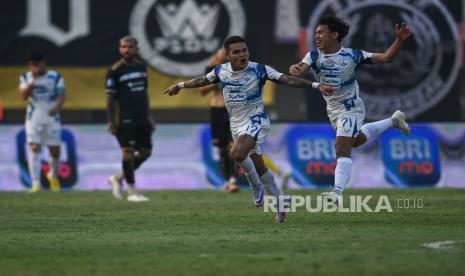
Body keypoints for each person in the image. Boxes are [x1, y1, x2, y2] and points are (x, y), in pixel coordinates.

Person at [164, 36, 336, 223]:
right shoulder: (221, 70)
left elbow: (288, 80)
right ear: (228, 56)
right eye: (236, 52)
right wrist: (179, 86)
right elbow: (202, 80)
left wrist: (316, 85)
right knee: (259, 165)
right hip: (236, 124)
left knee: (236, 153)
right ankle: (281, 202)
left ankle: (256, 188)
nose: (242, 54)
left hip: (257, 121)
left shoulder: (260, 69)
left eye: (244, 50)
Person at [289, 15, 412, 203]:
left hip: (351, 108)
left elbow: (387, 57)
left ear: (335, 35)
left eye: (321, 32)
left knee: (341, 147)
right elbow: (302, 68)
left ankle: (337, 192)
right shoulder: (314, 56)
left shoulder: (353, 55)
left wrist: (400, 40)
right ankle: (394, 121)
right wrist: (297, 69)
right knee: (355, 141)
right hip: (333, 110)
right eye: (316, 33)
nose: (317, 36)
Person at [106, 36, 155, 202]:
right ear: (120, 49)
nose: (126, 50)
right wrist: (111, 121)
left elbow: (145, 94)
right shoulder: (115, 70)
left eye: (130, 47)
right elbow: (110, 100)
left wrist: (149, 116)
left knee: (145, 152)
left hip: (142, 118)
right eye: (123, 47)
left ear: (137, 49)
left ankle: (118, 178)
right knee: (127, 153)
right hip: (124, 118)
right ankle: (132, 192)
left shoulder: (142, 67)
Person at [19, 51, 65, 192]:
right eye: (31, 65)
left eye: (36, 63)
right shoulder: (25, 77)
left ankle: (53, 176)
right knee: (34, 147)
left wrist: (56, 108)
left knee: (54, 150)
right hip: (34, 116)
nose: (34, 67)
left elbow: (62, 96)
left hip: (51, 116)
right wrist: (32, 81)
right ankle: (35, 183)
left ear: (43, 62)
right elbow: (23, 97)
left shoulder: (56, 77)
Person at [199, 48, 239, 193]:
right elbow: (201, 91)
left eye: (226, 53)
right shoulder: (210, 70)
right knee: (222, 149)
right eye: (221, 53)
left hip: (232, 111)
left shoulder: (236, 69)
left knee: (232, 146)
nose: (224, 55)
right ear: (216, 56)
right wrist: (216, 81)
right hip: (216, 110)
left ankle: (233, 179)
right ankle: (228, 180)